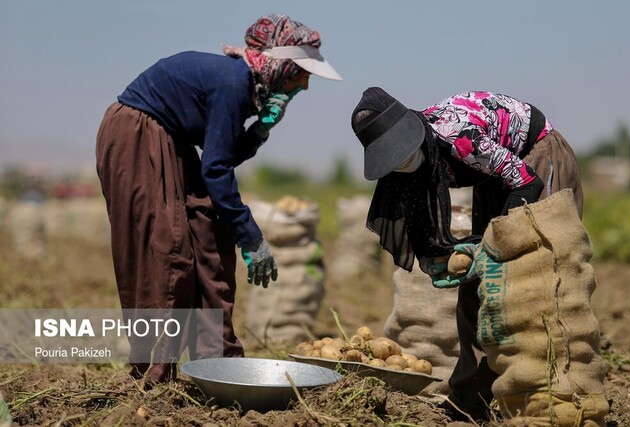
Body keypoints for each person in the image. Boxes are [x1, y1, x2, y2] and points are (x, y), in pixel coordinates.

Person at [96, 14, 341, 384]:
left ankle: (217, 367)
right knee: (168, 251)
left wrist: (258, 131)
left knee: (209, 235)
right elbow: (216, 170)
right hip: (138, 134)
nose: (305, 85)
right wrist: (252, 236)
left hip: (172, 142)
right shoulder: (233, 82)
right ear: (283, 66)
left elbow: (220, 156)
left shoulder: (246, 87)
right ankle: (152, 375)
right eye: (302, 73)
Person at [351, 87, 582, 421]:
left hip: (536, 159)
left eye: (403, 152)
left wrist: (498, 242)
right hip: (493, 180)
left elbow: (526, 182)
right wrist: (434, 256)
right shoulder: (410, 169)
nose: (401, 161)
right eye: (393, 157)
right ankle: (469, 400)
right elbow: (419, 219)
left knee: (537, 278)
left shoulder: (459, 138)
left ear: (415, 134)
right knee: (478, 285)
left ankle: (554, 397)